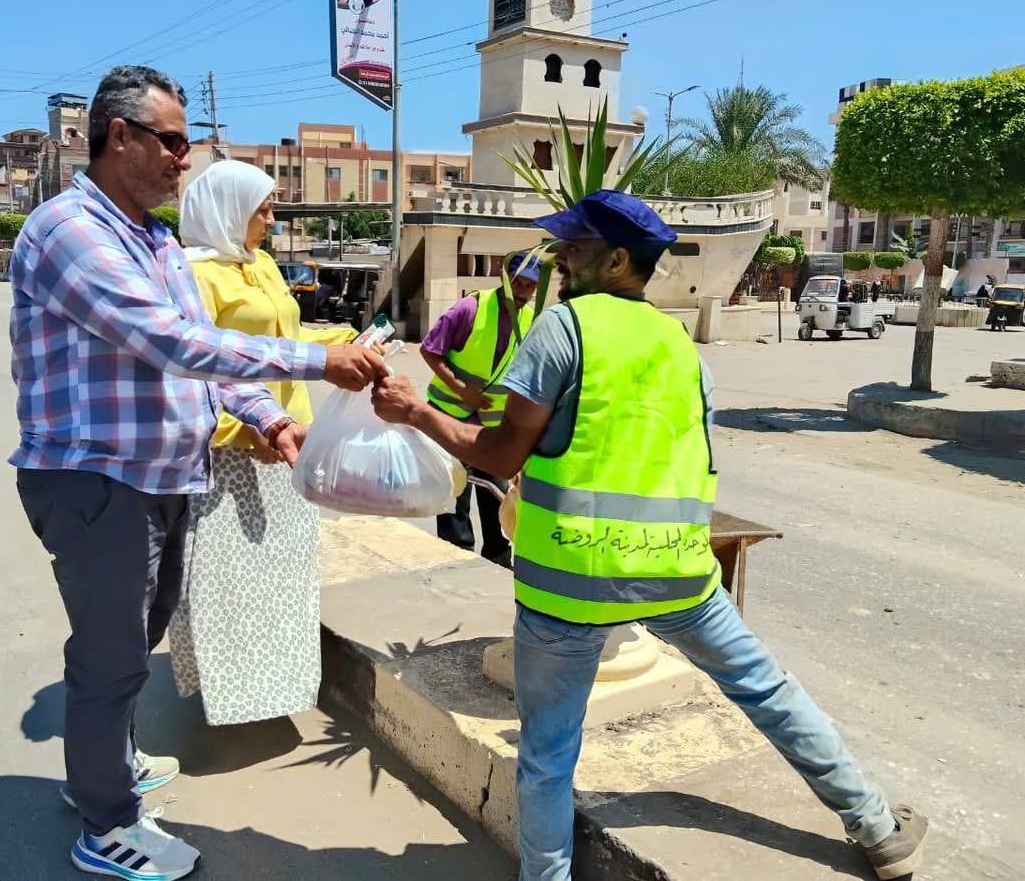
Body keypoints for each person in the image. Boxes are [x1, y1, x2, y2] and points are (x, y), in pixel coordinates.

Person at [371, 189, 928, 881]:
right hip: (676, 570)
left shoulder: (563, 329)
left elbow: (501, 452)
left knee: (548, 756)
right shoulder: (683, 348)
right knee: (768, 690)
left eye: (573, 247)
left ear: (615, 260)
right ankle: (877, 828)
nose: (559, 259)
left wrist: (416, 412)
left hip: (567, 582)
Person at [9, 65, 384, 881]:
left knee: (135, 641)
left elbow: (205, 365)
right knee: (110, 655)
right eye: (174, 142)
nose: (185, 161)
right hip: (98, 479)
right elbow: (173, 342)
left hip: (164, 477)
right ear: (120, 136)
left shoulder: (155, 241)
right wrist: (318, 363)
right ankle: (105, 823)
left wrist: (267, 416)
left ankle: (106, 767)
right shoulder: (69, 230)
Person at [166, 160, 358, 726]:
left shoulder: (263, 263)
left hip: (289, 440)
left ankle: (277, 687)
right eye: (263, 210)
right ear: (228, 210)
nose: (272, 222)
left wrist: (348, 342)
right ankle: (229, 692)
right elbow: (193, 371)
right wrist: (245, 429)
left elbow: (287, 339)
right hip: (227, 449)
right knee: (224, 583)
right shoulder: (192, 275)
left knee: (281, 575)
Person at [421, 253, 539, 566]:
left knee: (498, 495)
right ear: (504, 278)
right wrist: (462, 389)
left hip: (494, 426)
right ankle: (455, 558)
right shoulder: (470, 308)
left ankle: (498, 558)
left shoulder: (530, 320)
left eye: (530, 286)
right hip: (452, 418)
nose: (523, 292)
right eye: (518, 283)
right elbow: (430, 350)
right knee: (454, 495)